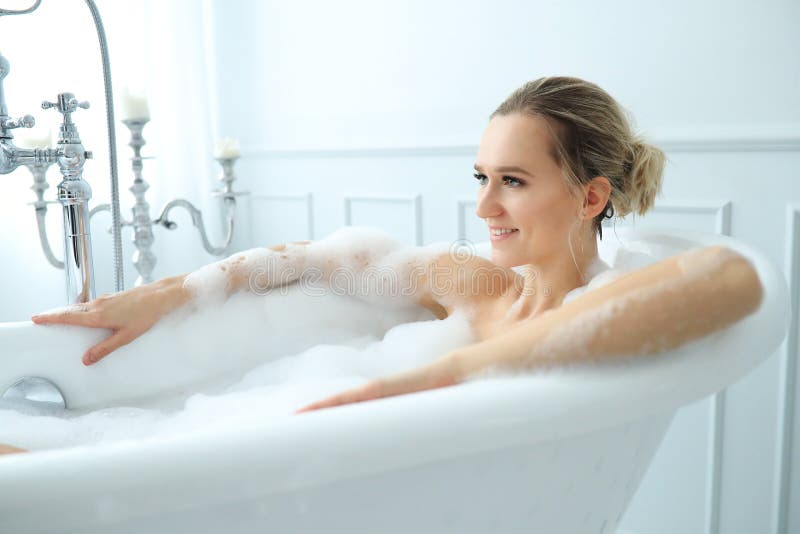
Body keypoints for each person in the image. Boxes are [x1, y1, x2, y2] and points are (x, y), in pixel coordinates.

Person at [1, 76, 763, 456]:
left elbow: (736, 279)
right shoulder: (477, 285)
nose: (484, 208)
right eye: (481, 178)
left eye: (514, 181)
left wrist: (443, 375)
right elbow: (327, 260)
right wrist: (175, 292)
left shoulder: (607, 303)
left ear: (591, 195)